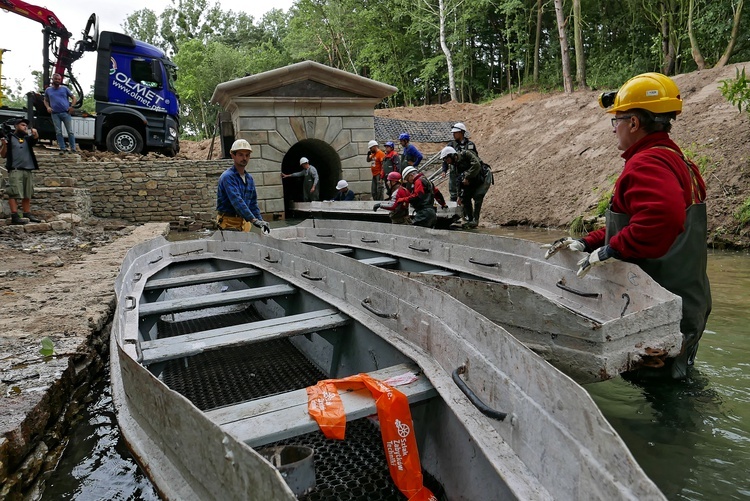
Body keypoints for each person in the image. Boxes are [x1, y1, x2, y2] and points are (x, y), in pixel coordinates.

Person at [542, 72, 711, 380]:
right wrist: (589, 242)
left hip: (660, 309)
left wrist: (614, 249)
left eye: (616, 121)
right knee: (680, 382)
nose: (614, 130)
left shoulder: (646, 163)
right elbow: (641, 222)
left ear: (634, 123)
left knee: (667, 402)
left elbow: (664, 218)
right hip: (688, 303)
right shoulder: (676, 160)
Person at [215, 139, 270, 233]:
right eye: (241, 155)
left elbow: (253, 203)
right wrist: (253, 220)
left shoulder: (249, 179)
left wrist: (260, 221)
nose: (244, 158)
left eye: (247, 155)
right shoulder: (227, 177)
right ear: (233, 155)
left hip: (244, 222)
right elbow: (237, 201)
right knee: (231, 247)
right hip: (229, 222)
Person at [1, 118, 42, 225]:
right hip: (15, 170)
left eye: (26, 126)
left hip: (28, 170)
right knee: (13, 193)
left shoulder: (27, 139)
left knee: (27, 193)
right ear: (16, 126)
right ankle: (15, 216)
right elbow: (3, 154)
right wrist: (4, 145)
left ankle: (27, 213)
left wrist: (35, 134)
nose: (25, 127)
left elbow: (35, 139)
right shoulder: (9, 137)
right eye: (23, 125)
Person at [440, 146, 492, 229]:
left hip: (483, 176)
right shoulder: (454, 166)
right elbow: (457, 181)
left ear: (452, 155)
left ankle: (475, 220)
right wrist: (459, 196)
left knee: (478, 196)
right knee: (465, 197)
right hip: (472, 180)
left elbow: (476, 165)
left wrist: (467, 176)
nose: (447, 162)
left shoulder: (466, 154)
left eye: (447, 159)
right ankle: (470, 219)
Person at [442, 122, 479, 201]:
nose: (453, 134)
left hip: (466, 171)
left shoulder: (470, 145)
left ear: (461, 132)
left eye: (455, 133)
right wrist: (444, 170)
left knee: (466, 193)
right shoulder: (451, 145)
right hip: (454, 172)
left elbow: (475, 158)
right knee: (453, 191)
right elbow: (445, 157)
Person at [43, 73, 77, 154]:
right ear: (53, 80)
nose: (58, 81)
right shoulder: (48, 90)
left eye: (59, 79)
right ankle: (62, 148)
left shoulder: (65, 89)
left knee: (70, 131)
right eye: (56, 79)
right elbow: (45, 100)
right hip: (55, 114)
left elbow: (74, 98)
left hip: (66, 113)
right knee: (58, 132)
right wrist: (48, 107)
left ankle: (73, 149)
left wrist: (72, 106)